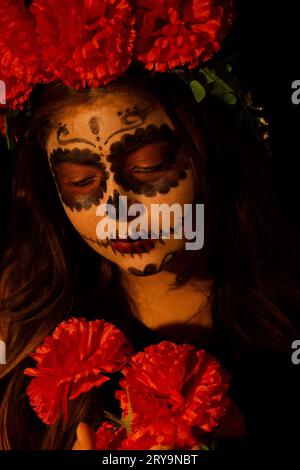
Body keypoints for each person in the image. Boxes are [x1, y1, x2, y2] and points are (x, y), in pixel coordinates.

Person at [1, 62, 300, 450]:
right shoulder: (18, 316)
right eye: (80, 182)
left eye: (149, 168)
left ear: (211, 153)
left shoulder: (287, 311)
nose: (118, 213)